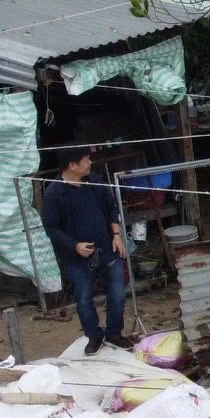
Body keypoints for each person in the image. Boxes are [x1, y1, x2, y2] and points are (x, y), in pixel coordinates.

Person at [41, 148, 130, 353]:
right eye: (85, 160)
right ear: (72, 166)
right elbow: (51, 228)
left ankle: (115, 333)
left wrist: (116, 235)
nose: (90, 163)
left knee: (117, 295)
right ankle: (94, 336)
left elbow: (111, 208)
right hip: (77, 258)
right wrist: (74, 246)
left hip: (107, 250)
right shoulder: (55, 194)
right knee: (83, 300)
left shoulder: (95, 183)